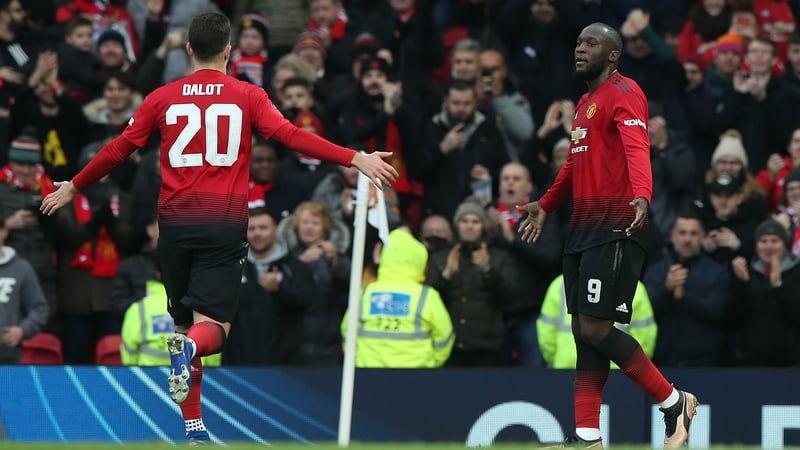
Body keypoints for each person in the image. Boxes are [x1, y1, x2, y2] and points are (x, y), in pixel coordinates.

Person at [40, 12, 397, 445]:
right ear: (229, 50)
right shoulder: (247, 95)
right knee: (212, 331)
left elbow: (119, 148)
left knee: (181, 324)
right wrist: (353, 157)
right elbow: (290, 136)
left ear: (188, 48)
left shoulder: (162, 97)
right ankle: (189, 361)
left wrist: (74, 185)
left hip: (173, 226)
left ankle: (194, 428)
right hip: (223, 224)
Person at [515, 23, 697, 448]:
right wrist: (546, 203)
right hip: (581, 228)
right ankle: (587, 436)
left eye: (591, 43)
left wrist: (643, 197)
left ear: (613, 55)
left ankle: (673, 401)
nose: (580, 49)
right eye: (578, 42)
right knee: (583, 330)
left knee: (597, 329)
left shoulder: (625, 91)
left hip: (618, 224)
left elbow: (638, 147)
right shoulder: (584, 104)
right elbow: (574, 165)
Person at [341, 227, 454, 368]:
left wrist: (359, 359)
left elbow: (347, 331)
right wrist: (432, 363)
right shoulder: (426, 295)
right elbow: (444, 336)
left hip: (369, 374)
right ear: (419, 260)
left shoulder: (366, 292)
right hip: (416, 375)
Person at [0, 220, 49, 364]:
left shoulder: (22, 269)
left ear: (4, 231)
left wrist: (22, 330)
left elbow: (40, 308)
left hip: (7, 358)